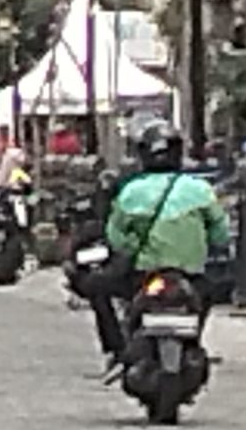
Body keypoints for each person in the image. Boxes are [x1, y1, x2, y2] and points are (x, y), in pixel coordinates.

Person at [88, 119, 233, 367]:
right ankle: (194, 341)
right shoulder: (199, 190)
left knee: (96, 287)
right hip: (191, 274)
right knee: (209, 292)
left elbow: (116, 237)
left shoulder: (132, 191)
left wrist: (132, 248)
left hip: (143, 274)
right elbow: (220, 233)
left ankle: (117, 349)